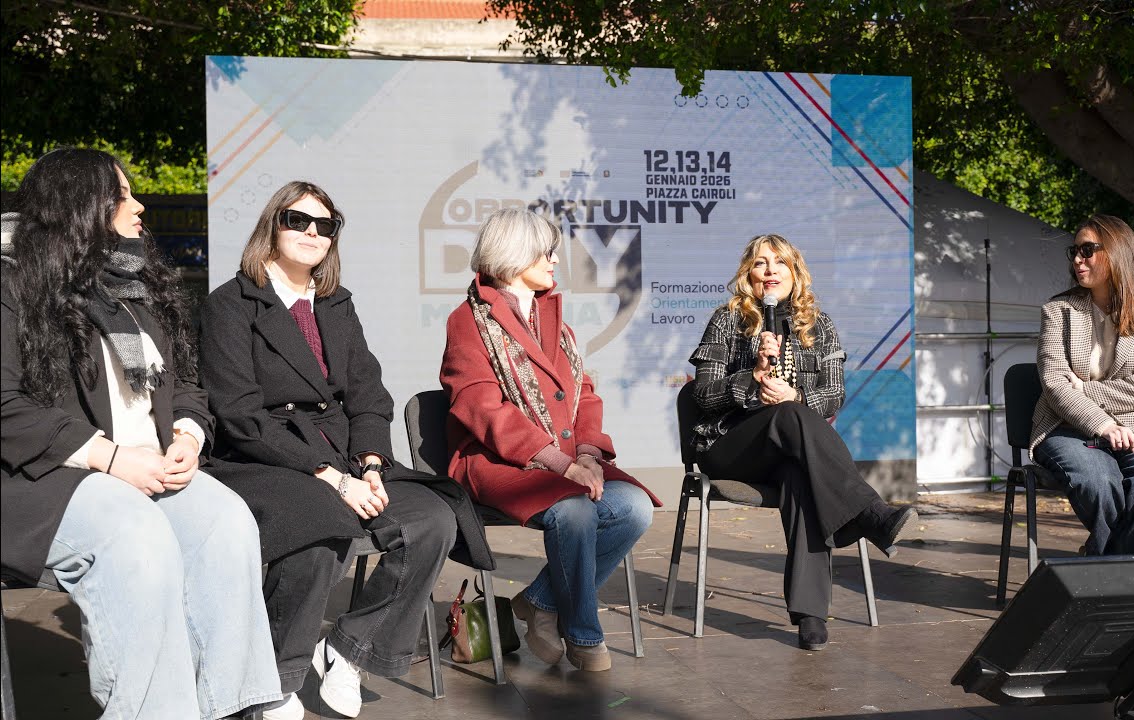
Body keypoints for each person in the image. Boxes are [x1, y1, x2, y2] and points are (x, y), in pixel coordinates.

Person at [0, 148, 280, 719]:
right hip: (42, 479)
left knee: (225, 521)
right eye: (122, 194)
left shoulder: (130, 285)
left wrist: (186, 437)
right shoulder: (12, 286)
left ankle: (231, 705)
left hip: (140, 468)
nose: (139, 205)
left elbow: (184, 387)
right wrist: (108, 458)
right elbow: (6, 405)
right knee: (134, 535)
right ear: (80, 206)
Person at [199, 181, 494, 719]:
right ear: (272, 225)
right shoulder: (230, 305)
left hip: (345, 456)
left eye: (325, 225)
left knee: (431, 518)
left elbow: (368, 396)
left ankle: (349, 650)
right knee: (317, 523)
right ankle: (275, 680)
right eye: (297, 220)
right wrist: (329, 477)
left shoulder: (335, 304)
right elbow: (239, 416)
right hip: (262, 459)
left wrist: (373, 464)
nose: (312, 233)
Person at [440, 208, 659, 672]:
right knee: (575, 510)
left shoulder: (553, 317)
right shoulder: (468, 320)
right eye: (546, 250)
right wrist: (561, 464)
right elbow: (482, 407)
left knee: (634, 508)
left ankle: (540, 601)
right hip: (496, 461)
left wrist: (587, 453)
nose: (556, 259)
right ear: (514, 255)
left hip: (565, 460)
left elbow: (585, 395)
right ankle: (583, 633)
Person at [688, 233, 918, 652]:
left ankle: (810, 614)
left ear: (795, 274)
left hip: (789, 453)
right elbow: (702, 396)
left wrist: (795, 396)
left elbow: (835, 394)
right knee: (793, 418)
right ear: (749, 276)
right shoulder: (727, 321)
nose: (770, 270)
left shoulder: (820, 325)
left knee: (801, 475)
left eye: (780, 263)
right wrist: (752, 378)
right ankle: (869, 512)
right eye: (760, 263)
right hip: (732, 448)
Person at [1030, 214, 1134, 555]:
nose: (1078, 259)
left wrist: (1084, 389)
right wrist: (1103, 423)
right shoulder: (1058, 310)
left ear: (1117, 253)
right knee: (1097, 481)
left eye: (1088, 250)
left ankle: (1103, 562)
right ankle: (1123, 574)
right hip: (1069, 426)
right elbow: (1054, 384)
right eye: (1074, 251)